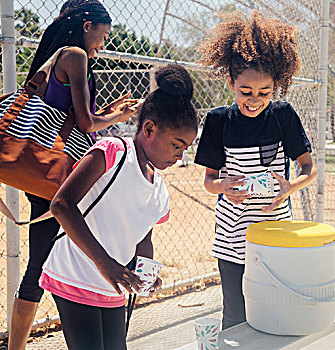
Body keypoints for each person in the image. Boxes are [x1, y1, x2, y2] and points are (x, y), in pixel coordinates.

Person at [39, 63, 198, 349]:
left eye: (185, 148)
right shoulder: (113, 152)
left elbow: (144, 237)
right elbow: (62, 205)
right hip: (75, 274)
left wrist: (144, 273)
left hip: (112, 285)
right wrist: (106, 263)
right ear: (149, 128)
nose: (180, 155)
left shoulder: (159, 187)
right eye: (176, 145)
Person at [9, 1, 138, 348]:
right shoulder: (76, 56)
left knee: (39, 265)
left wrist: (108, 113)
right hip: (63, 179)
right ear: (86, 25)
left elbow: (67, 113)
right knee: (61, 263)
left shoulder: (56, 57)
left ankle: (16, 347)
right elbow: (84, 123)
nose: (103, 43)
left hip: (43, 173)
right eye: (103, 35)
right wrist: (113, 119)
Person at [195, 10, 318, 329]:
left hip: (274, 233)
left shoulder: (283, 115)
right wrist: (222, 187)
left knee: (274, 312)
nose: (254, 100)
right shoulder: (218, 121)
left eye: (264, 93)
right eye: (245, 92)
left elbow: (309, 169)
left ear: (276, 85)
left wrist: (291, 187)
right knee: (235, 315)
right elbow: (208, 181)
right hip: (232, 235)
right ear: (231, 81)